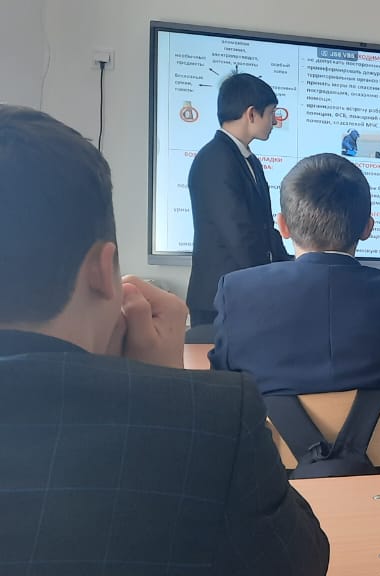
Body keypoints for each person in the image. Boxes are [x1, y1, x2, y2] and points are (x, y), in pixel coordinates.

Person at [0, 104, 328, 574]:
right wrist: (165, 392)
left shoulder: (241, 163)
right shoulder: (216, 417)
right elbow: (302, 562)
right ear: (104, 271)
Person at [210, 153, 380, 400]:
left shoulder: (235, 291)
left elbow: (225, 388)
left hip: (270, 428)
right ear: (367, 228)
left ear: (283, 226)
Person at [187, 73, 292, 327]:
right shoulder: (215, 158)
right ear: (251, 114)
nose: (275, 121)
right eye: (272, 113)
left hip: (241, 293)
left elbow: (265, 227)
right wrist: (272, 282)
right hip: (220, 300)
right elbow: (237, 233)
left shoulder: (250, 160)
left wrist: (292, 268)